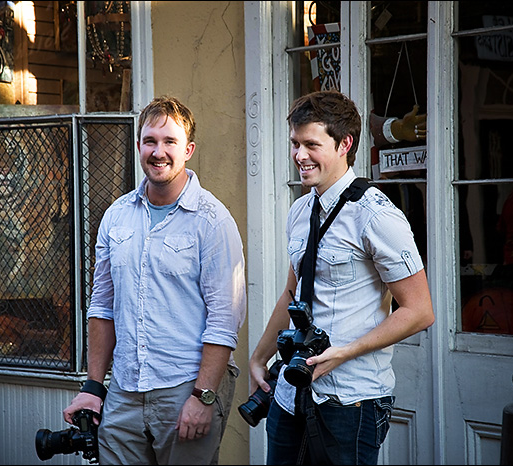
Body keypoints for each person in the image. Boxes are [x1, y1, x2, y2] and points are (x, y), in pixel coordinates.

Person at [248, 90, 435, 465]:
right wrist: (259, 357)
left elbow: (419, 311)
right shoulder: (300, 211)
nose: (300, 156)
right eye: (295, 144)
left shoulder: (377, 216)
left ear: (344, 143)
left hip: (351, 401)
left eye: (311, 145)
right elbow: (292, 292)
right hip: (289, 395)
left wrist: (343, 354)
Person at [63, 96, 247, 465]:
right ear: (138, 146)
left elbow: (224, 321)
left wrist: (203, 396)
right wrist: (93, 387)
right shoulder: (117, 216)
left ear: (188, 150)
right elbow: (101, 307)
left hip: (184, 390)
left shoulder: (212, 221)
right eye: (150, 141)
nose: (158, 152)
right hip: (124, 394)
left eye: (170, 142)